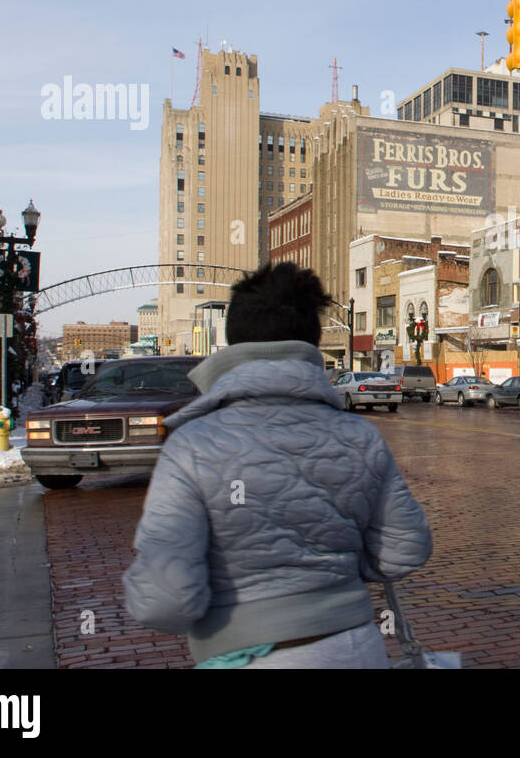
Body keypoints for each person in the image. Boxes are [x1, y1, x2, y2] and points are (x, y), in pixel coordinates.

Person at [123, 262, 432, 669]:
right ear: (312, 340)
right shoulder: (361, 436)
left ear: (233, 341)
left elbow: (164, 601)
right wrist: (334, 574)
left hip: (244, 654)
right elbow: (405, 549)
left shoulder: (191, 445)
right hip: (357, 646)